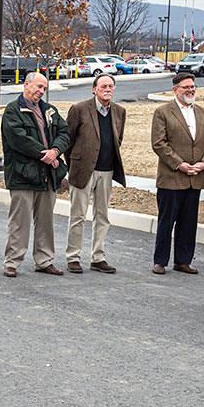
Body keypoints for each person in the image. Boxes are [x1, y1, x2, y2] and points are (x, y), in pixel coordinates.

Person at [1, 71, 69, 277]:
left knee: (46, 221)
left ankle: (44, 260)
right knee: (19, 222)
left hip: (47, 176)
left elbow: (64, 133)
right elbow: (19, 139)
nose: (41, 91)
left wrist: (55, 151)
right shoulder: (13, 111)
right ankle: (12, 262)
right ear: (26, 85)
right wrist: (45, 154)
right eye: (38, 87)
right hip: (22, 176)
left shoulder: (50, 111)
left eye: (44, 89)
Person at [150, 72, 204, 275]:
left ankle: (183, 261)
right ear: (175, 90)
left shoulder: (203, 113)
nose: (190, 90)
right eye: (186, 87)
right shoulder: (163, 112)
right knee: (166, 221)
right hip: (172, 178)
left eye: (192, 86)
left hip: (195, 178)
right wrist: (180, 165)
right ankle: (160, 261)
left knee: (189, 223)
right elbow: (159, 144)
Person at [64, 72, 126, 274]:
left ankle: (98, 258)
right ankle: (73, 257)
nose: (107, 90)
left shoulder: (120, 111)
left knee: (102, 216)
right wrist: (72, 165)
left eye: (111, 86)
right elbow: (68, 140)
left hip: (107, 171)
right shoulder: (79, 109)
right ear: (94, 89)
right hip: (83, 170)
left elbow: (118, 139)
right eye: (103, 87)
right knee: (78, 215)